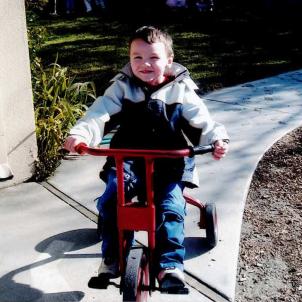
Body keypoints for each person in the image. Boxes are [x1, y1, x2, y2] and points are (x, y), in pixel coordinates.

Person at [64, 26, 229, 290]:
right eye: (137, 57)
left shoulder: (180, 89)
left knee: (171, 207)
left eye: (153, 57)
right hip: (126, 160)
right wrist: (81, 134)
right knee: (110, 202)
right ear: (129, 59)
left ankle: (170, 265)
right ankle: (112, 258)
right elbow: (100, 113)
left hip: (169, 163)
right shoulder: (122, 88)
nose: (144, 64)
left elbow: (202, 120)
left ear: (169, 61)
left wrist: (216, 140)